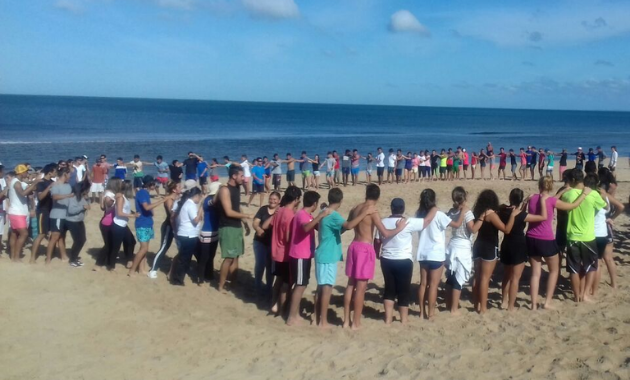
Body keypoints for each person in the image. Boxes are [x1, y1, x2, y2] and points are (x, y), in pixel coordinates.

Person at [343, 184, 407, 330]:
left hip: (353, 246)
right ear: (378, 197)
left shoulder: (355, 208)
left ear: (366, 193)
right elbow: (385, 233)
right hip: (364, 248)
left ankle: (346, 321)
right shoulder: (372, 211)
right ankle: (356, 323)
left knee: (350, 284)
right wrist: (399, 228)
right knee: (361, 288)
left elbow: (349, 224)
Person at [314, 188, 374, 328]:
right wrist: (364, 213)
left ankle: (317, 318)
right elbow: (349, 225)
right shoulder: (333, 215)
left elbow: (341, 229)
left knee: (321, 287)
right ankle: (322, 321)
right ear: (340, 201)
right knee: (327, 288)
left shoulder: (324, 213)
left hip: (322, 253)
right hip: (328, 255)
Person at [528, 175, 587, 309]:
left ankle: (533, 304)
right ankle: (547, 302)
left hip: (531, 237)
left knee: (535, 273)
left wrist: (562, 192)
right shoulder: (551, 201)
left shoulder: (532, 197)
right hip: (546, 239)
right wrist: (584, 194)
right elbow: (572, 206)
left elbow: (550, 198)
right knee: (554, 270)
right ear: (551, 186)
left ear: (539, 185)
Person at [375, 198, 433, 324]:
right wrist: (433, 209)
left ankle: (388, 319)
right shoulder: (408, 222)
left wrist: (377, 254)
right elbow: (426, 221)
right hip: (404, 260)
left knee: (389, 289)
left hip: (387, 259)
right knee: (403, 290)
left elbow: (377, 241)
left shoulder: (383, 222)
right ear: (403, 209)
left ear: (391, 208)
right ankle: (404, 319)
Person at [416, 188, 466, 320]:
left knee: (423, 284)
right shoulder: (438, 214)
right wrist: (463, 212)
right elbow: (456, 224)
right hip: (436, 254)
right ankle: (431, 313)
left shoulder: (419, 214)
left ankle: (421, 312)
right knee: (433, 285)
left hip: (423, 252)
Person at [286, 191, 331, 326]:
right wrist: (321, 215)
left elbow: (315, 226)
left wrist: (322, 215)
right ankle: (291, 317)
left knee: (303, 283)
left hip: (305, 255)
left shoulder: (307, 215)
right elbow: (306, 228)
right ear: (314, 204)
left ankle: (295, 314)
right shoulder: (301, 215)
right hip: (299, 255)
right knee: (300, 285)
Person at [499, 188, 547, 311]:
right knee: (515, 278)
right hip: (518, 246)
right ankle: (511, 306)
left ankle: (504, 301)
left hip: (506, 244)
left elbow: (514, 211)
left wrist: (524, 203)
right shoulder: (521, 215)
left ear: (510, 198)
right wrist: (542, 201)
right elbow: (542, 217)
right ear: (520, 200)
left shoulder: (503, 211)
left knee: (506, 275)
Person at [561, 170, 605, 303]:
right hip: (588, 236)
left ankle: (577, 296)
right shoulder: (593, 194)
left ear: (572, 180)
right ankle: (585, 294)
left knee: (574, 268)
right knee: (591, 266)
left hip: (573, 235)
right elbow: (603, 206)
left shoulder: (568, 195)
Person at [471, 189, 511, 314]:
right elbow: (505, 229)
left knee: (477, 277)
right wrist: (513, 217)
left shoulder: (478, 212)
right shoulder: (492, 215)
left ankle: (476, 304)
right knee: (485, 279)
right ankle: (483, 308)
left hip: (478, 245)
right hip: (489, 247)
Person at [266, 186, 302, 315]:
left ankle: (273, 303)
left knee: (279, 280)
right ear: (296, 199)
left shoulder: (279, 210)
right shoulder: (290, 215)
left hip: (276, 251)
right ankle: (280, 308)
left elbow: (271, 225)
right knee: (286, 283)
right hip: (285, 253)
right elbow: (288, 237)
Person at [216, 166, 251, 292]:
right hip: (227, 226)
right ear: (234, 176)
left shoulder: (237, 188)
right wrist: (247, 215)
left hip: (236, 226)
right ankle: (221, 285)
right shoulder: (225, 190)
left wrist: (245, 222)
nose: (243, 178)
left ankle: (233, 284)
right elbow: (229, 212)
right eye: (241, 175)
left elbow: (236, 207)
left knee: (236, 256)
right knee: (229, 257)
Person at [591, 175, 623, 296]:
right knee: (608, 258)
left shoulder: (596, 195)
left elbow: (621, 206)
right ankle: (614, 283)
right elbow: (621, 206)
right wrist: (612, 218)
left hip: (600, 230)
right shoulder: (607, 196)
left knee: (598, 260)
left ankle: (595, 286)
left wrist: (611, 218)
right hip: (606, 229)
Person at [128, 176, 165, 276]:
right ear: (150, 184)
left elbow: (147, 207)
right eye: (154, 184)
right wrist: (162, 201)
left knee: (144, 248)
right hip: (142, 223)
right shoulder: (143, 193)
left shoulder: (145, 193)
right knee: (144, 248)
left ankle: (142, 269)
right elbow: (146, 207)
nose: (155, 186)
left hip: (147, 222)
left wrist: (152, 212)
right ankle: (132, 270)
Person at [148, 180, 181, 279]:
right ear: (174, 190)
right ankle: (153, 270)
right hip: (168, 226)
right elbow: (172, 214)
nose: (181, 188)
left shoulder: (176, 197)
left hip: (176, 226)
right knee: (164, 247)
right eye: (179, 187)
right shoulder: (169, 199)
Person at [8, 164, 42, 262]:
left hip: (18, 212)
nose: (27, 173)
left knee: (14, 234)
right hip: (17, 212)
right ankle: (16, 257)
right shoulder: (17, 183)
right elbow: (23, 193)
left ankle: (13, 256)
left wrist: (32, 182)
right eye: (26, 171)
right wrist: (35, 183)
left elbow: (27, 184)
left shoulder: (18, 181)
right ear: (21, 172)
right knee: (24, 234)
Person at [171, 187, 204, 286]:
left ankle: (179, 278)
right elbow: (196, 220)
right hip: (188, 235)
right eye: (200, 197)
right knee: (184, 258)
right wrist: (201, 208)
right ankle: (177, 279)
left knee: (185, 257)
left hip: (188, 234)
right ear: (196, 196)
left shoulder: (188, 204)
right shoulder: (190, 205)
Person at [252, 191, 280, 295]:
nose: (272, 201)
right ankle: (257, 286)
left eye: (275, 199)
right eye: (271, 199)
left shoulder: (280, 211)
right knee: (260, 265)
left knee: (270, 267)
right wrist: (258, 229)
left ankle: (269, 288)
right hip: (260, 242)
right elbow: (255, 222)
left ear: (279, 201)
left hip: (273, 243)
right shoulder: (263, 209)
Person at [45, 168, 73, 264]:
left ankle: (63, 256)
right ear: (65, 174)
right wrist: (68, 196)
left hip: (66, 215)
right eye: (69, 174)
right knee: (54, 237)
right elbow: (55, 197)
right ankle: (48, 259)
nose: (70, 176)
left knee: (61, 236)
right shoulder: (56, 185)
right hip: (57, 215)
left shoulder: (68, 185)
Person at [94, 178, 122, 271]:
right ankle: (99, 264)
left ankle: (109, 263)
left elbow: (102, 208)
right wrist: (115, 199)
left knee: (113, 244)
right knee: (108, 245)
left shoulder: (109, 193)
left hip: (111, 221)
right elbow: (109, 203)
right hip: (108, 223)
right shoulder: (110, 194)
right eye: (120, 183)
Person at [31, 164, 56, 263]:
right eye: (55, 171)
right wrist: (49, 187)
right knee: (41, 234)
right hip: (42, 211)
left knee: (50, 233)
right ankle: (32, 258)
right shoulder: (41, 183)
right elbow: (40, 197)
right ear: (50, 172)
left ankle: (50, 254)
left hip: (51, 211)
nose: (56, 173)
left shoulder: (53, 182)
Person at [110, 180, 138, 270]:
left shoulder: (124, 197)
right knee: (116, 246)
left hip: (123, 224)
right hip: (118, 225)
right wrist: (133, 215)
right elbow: (119, 213)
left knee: (131, 241)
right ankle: (111, 266)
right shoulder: (121, 198)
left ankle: (129, 259)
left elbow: (125, 209)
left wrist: (133, 212)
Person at [65, 181, 91, 267]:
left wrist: (87, 199)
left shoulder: (81, 197)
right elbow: (71, 211)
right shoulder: (73, 198)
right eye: (86, 190)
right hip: (72, 221)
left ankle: (74, 257)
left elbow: (87, 206)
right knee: (78, 241)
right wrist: (82, 207)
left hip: (79, 220)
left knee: (82, 239)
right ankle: (72, 259)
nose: (87, 191)